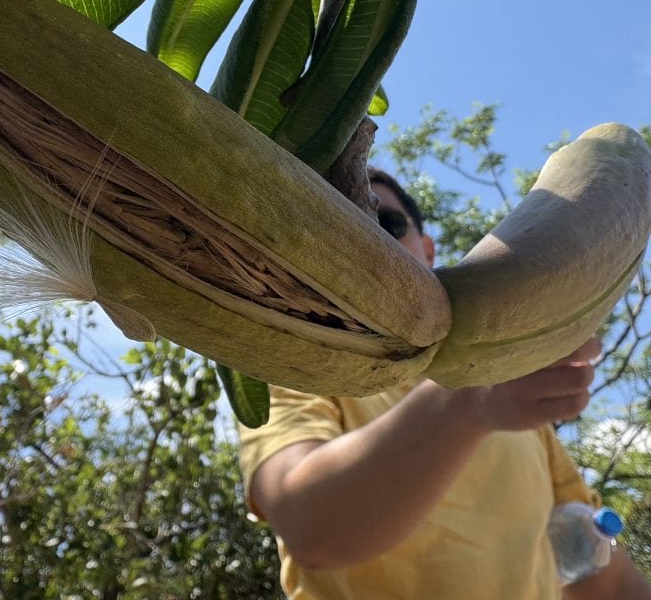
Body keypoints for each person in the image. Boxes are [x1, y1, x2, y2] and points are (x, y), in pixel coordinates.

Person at [238, 168, 651, 599]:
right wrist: (472, 397)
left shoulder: (522, 414)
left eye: (387, 223)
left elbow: (605, 577)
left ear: (428, 249)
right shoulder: (294, 372)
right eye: (337, 225)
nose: (366, 239)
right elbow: (312, 528)